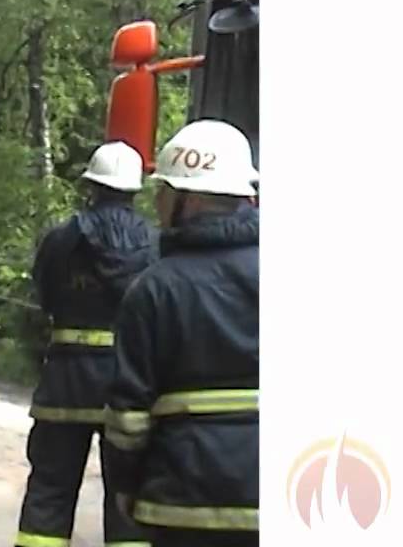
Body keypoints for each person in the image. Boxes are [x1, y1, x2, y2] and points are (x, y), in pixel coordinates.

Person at [103, 120, 260, 546]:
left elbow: (128, 418)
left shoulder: (154, 288)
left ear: (186, 201)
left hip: (180, 500)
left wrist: (127, 487)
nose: (156, 202)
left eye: (164, 191)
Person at [14, 141, 158, 547]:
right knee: (127, 498)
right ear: (136, 189)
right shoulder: (154, 243)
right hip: (128, 387)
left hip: (65, 382)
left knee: (50, 491)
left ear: (90, 186)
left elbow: (45, 298)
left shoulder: (61, 238)